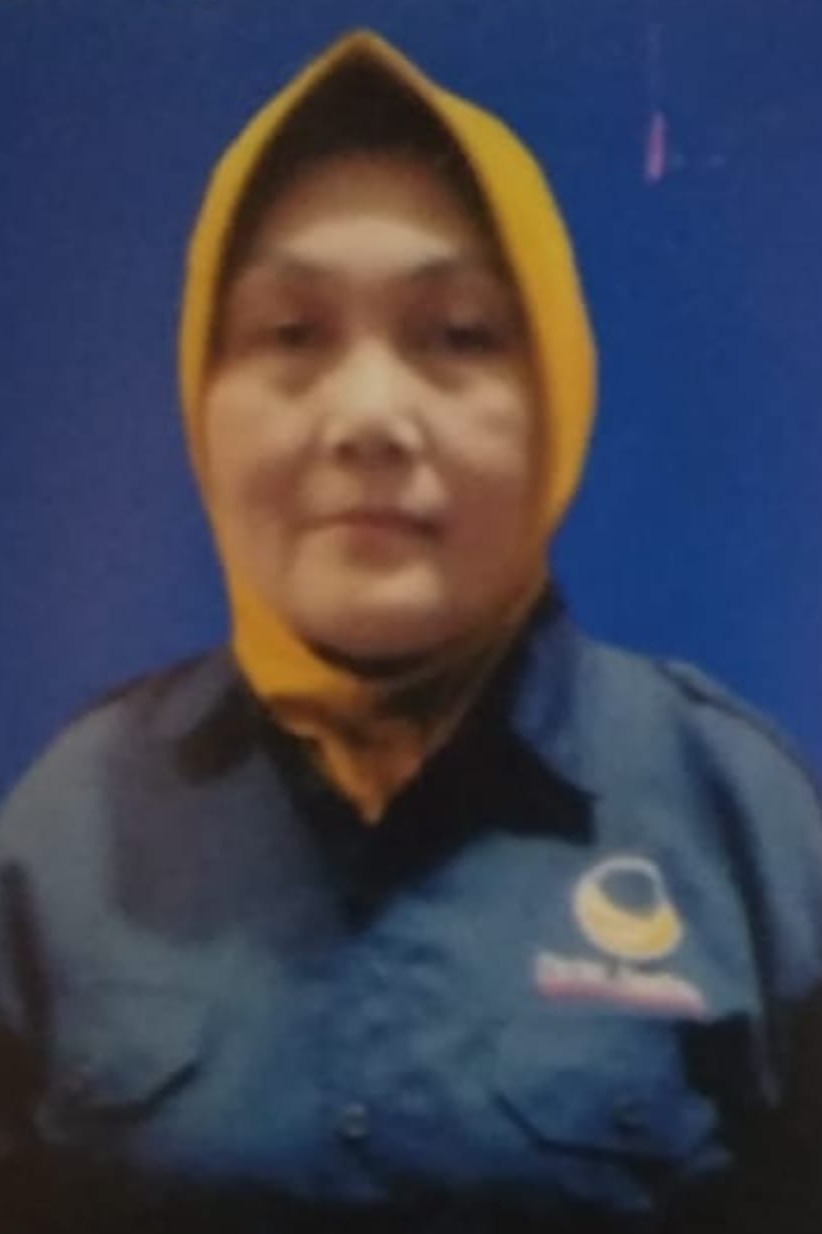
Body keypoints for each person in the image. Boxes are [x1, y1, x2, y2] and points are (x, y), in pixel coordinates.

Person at [1, 27, 821, 1234]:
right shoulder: (69, 831)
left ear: (559, 393)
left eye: (459, 334)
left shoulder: (745, 828)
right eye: (291, 334)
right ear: (200, 395)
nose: (370, 416)